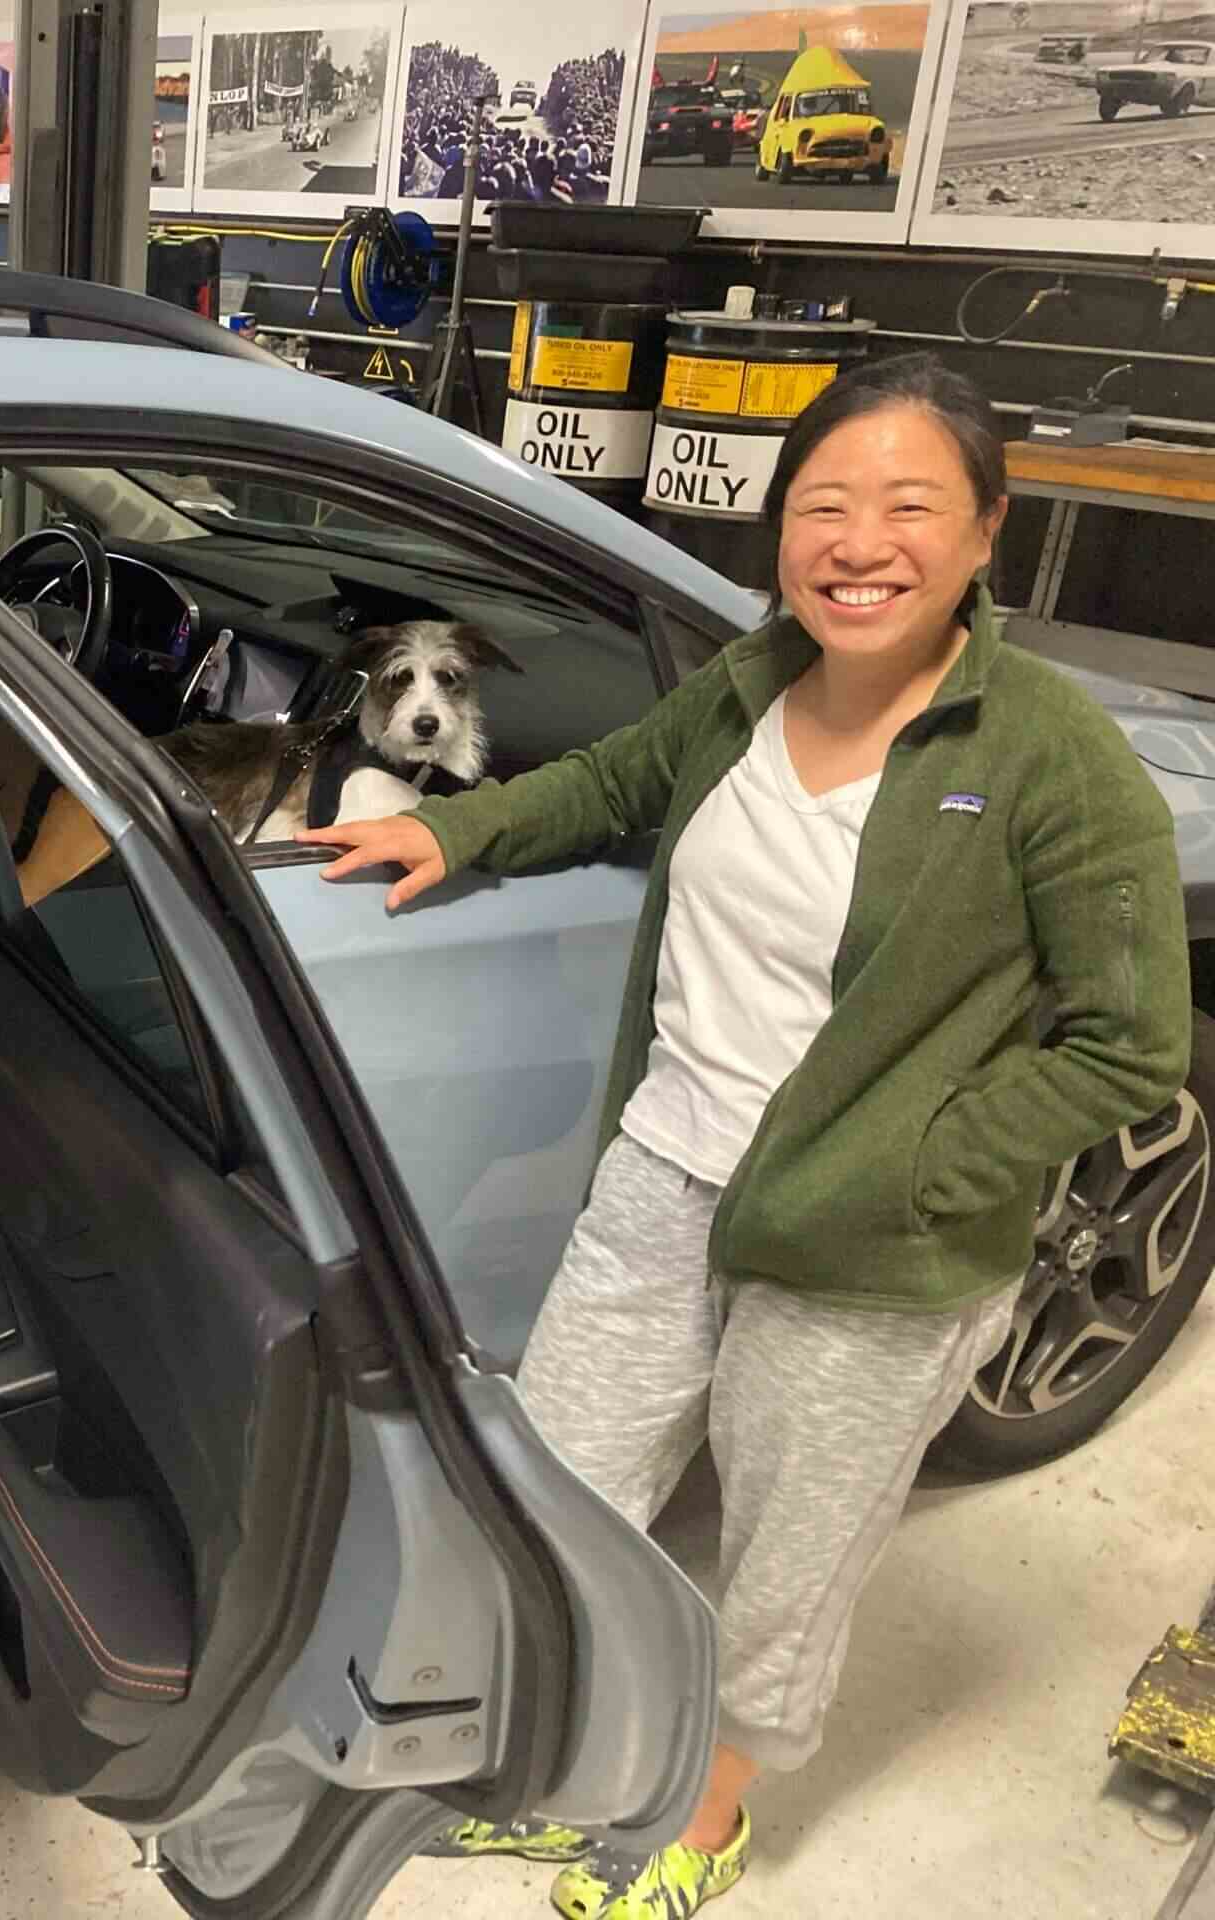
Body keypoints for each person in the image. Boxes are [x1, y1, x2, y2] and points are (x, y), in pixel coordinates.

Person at [299, 353, 1189, 1919]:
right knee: (560, 1494)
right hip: (665, 1179)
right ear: (782, 531)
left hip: (870, 1249)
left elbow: (1129, 1044)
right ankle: (578, 1769)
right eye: (825, 505)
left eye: (910, 506)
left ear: (988, 530)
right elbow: (611, 781)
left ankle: (703, 1816)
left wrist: (923, 1171)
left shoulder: (1049, 755)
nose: (860, 544)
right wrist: (447, 823)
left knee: (788, 1560)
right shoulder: (747, 682)